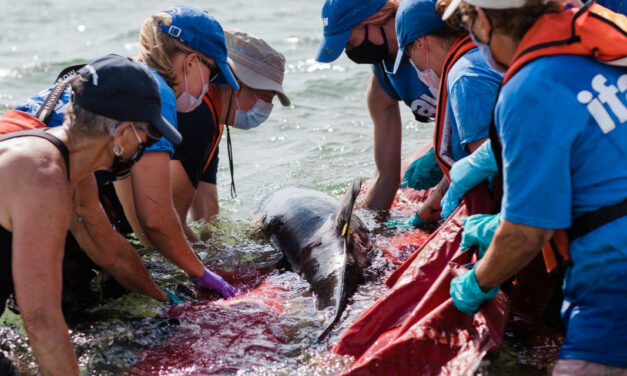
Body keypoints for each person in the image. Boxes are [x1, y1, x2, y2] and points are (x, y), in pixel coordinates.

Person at [441, 0, 627, 374]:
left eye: (465, 19)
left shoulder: (531, 87)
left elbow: (527, 233)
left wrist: (477, 282)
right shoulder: (606, 41)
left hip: (614, 276)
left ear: (485, 18)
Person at [12, 6, 239, 299]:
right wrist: (203, 273)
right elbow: (155, 220)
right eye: (214, 72)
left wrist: (161, 287)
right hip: (30, 187)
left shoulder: (116, 76)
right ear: (192, 61)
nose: (210, 85)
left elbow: (130, 226)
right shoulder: (153, 96)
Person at [0, 55, 181, 375]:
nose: (146, 146)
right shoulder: (43, 177)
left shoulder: (67, 165)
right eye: (149, 136)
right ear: (125, 132)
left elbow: (108, 249)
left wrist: (164, 297)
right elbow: (41, 321)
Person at [316, 0, 438, 210]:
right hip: (450, 137)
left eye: (348, 42)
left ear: (373, 18)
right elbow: (385, 175)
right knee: (405, 186)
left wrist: (445, 154)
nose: (348, 51)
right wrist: (370, 228)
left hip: (493, 129)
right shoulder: (382, 83)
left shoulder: (436, 38)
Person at [390, 0, 502, 227]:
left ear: (421, 43)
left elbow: (490, 169)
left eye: (409, 54)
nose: (413, 64)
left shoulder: (465, 76)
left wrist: (425, 214)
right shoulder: (484, 54)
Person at [172, 28, 290, 239]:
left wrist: (216, 248)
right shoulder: (197, 116)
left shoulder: (213, 119)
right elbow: (171, 224)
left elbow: (206, 210)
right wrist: (206, 269)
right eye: (266, 96)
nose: (266, 107)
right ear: (236, 83)